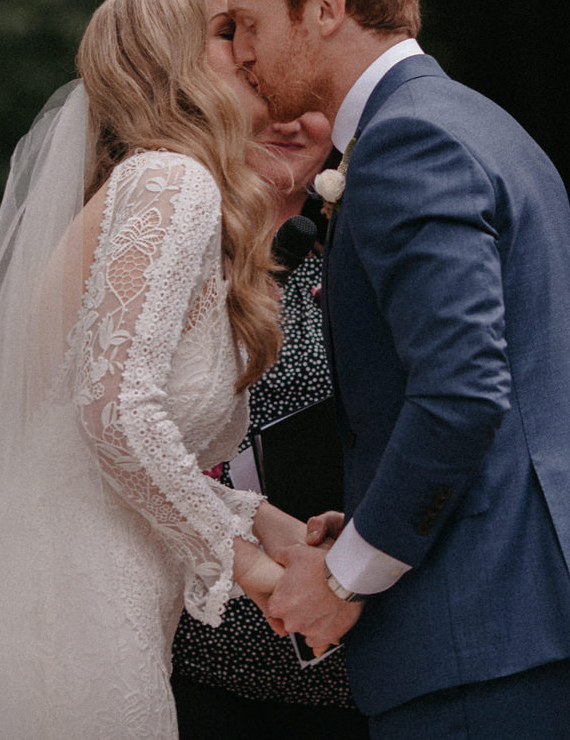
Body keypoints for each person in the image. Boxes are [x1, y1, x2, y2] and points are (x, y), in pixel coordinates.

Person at [196, 0, 570, 740]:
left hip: (480, 614)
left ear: (326, 5)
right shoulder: (471, 121)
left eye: (253, 24)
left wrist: (344, 573)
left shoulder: (409, 142)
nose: (243, 53)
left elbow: (462, 393)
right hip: (509, 607)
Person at [0, 0, 318, 740]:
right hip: (76, 608)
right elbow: (114, 413)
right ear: (171, 60)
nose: (248, 48)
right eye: (224, 29)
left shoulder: (150, 188)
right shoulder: (173, 182)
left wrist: (262, 517)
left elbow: (93, 447)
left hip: (87, 590)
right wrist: (246, 561)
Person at [170, 108, 369, 738]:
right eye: (264, 104)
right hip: (211, 650)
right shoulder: (185, 256)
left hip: (362, 647)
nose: (286, 123)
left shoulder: (366, 258)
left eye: (306, 106)